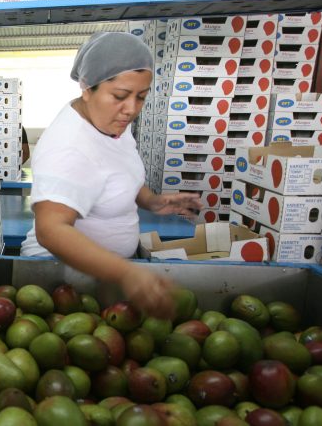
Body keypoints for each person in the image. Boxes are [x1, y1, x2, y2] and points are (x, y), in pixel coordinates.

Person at [20, 32, 203, 318]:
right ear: (86, 88)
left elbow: (119, 172)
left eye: (141, 96)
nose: (131, 109)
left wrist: (152, 201)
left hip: (106, 278)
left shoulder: (109, 119)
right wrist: (126, 273)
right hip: (62, 283)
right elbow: (51, 230)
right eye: (120, 96)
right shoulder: (68, 147)